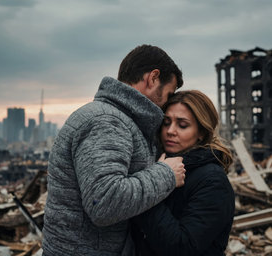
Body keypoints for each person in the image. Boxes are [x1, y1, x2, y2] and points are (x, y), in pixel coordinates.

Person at [42, 44, 186, 256]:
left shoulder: (120, 120)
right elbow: (104, 203)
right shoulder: (107, 122)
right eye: (168, 94)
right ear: (153, 78)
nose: (166, 104)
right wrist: (166, 174)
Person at [132, 90, 235, 256]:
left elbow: (183, 247)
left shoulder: (212, 181)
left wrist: (153, 186)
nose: (170, 131)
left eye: (182, 125)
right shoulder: (158, 163)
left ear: (201, 133)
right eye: (166, 122)